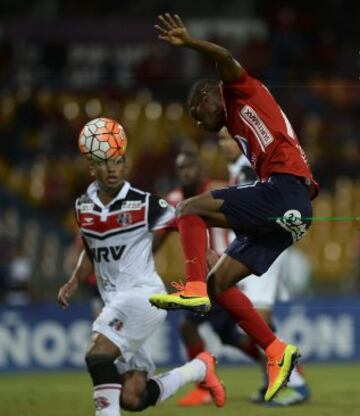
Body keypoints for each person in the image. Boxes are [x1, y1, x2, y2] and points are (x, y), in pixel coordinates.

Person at [149, 13, 319, 402]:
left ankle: (192, 287)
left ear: (210, 97)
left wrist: (190, 43)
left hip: (284, 190)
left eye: (197, 113)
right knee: (219, 284)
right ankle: (278, 352)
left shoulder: (238, 90)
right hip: (293, 210)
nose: (198, 122)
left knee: (188, 208)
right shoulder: (240, 129)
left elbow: (224, 54)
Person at [57, 126, 226, 416]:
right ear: (91, 168)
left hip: (141, 296)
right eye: (104, 162)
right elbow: (90, 243)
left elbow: (184, 218)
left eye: (118, 161)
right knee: (132, 398)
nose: (112, 169)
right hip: (116, 300)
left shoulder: (144, 203)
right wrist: (74, 279)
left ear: (126, 165)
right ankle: (199, 368)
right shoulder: (82, 206)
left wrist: (206, 251)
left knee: (97, 355)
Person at [156, 149, 309, 406]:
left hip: (229, 266)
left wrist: (227, 258)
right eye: (181, 169)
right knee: (230, 335)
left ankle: (211, 385)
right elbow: (159, 235)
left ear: (201, 169)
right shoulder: (175, 198)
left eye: (190, 167)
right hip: (215, 272)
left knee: (191, 325)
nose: (186, 173)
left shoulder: (219, 189)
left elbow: (244, 218)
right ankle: (283, 363)